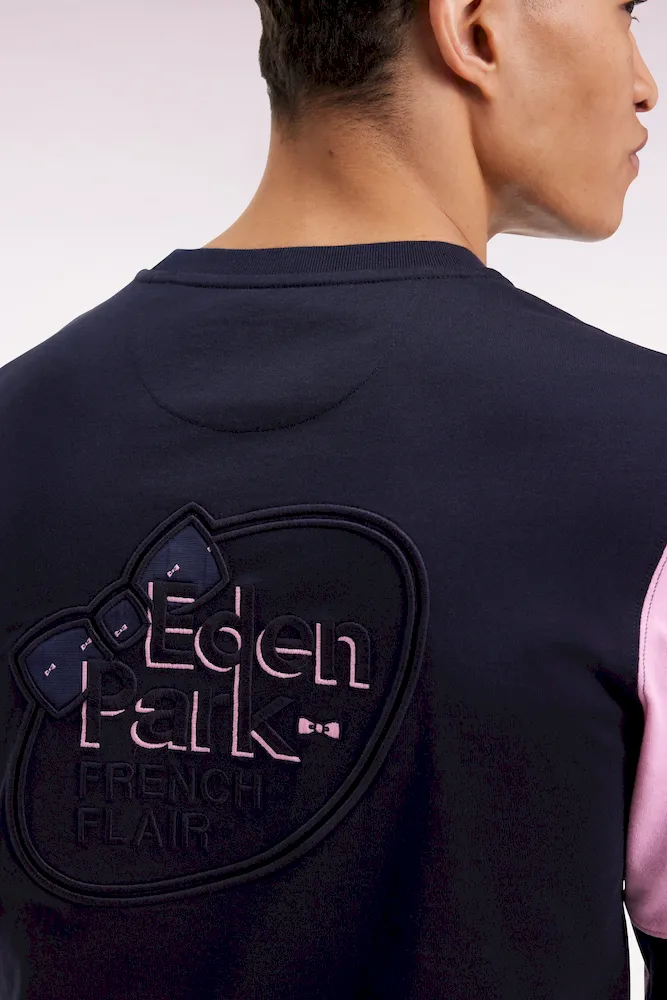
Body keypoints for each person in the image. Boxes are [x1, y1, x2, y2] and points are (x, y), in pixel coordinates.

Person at [0, 0, 662, 997]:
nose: (644, 83)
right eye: (622, 11)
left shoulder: (19, 425)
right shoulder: (645, 450)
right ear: (473, 28)